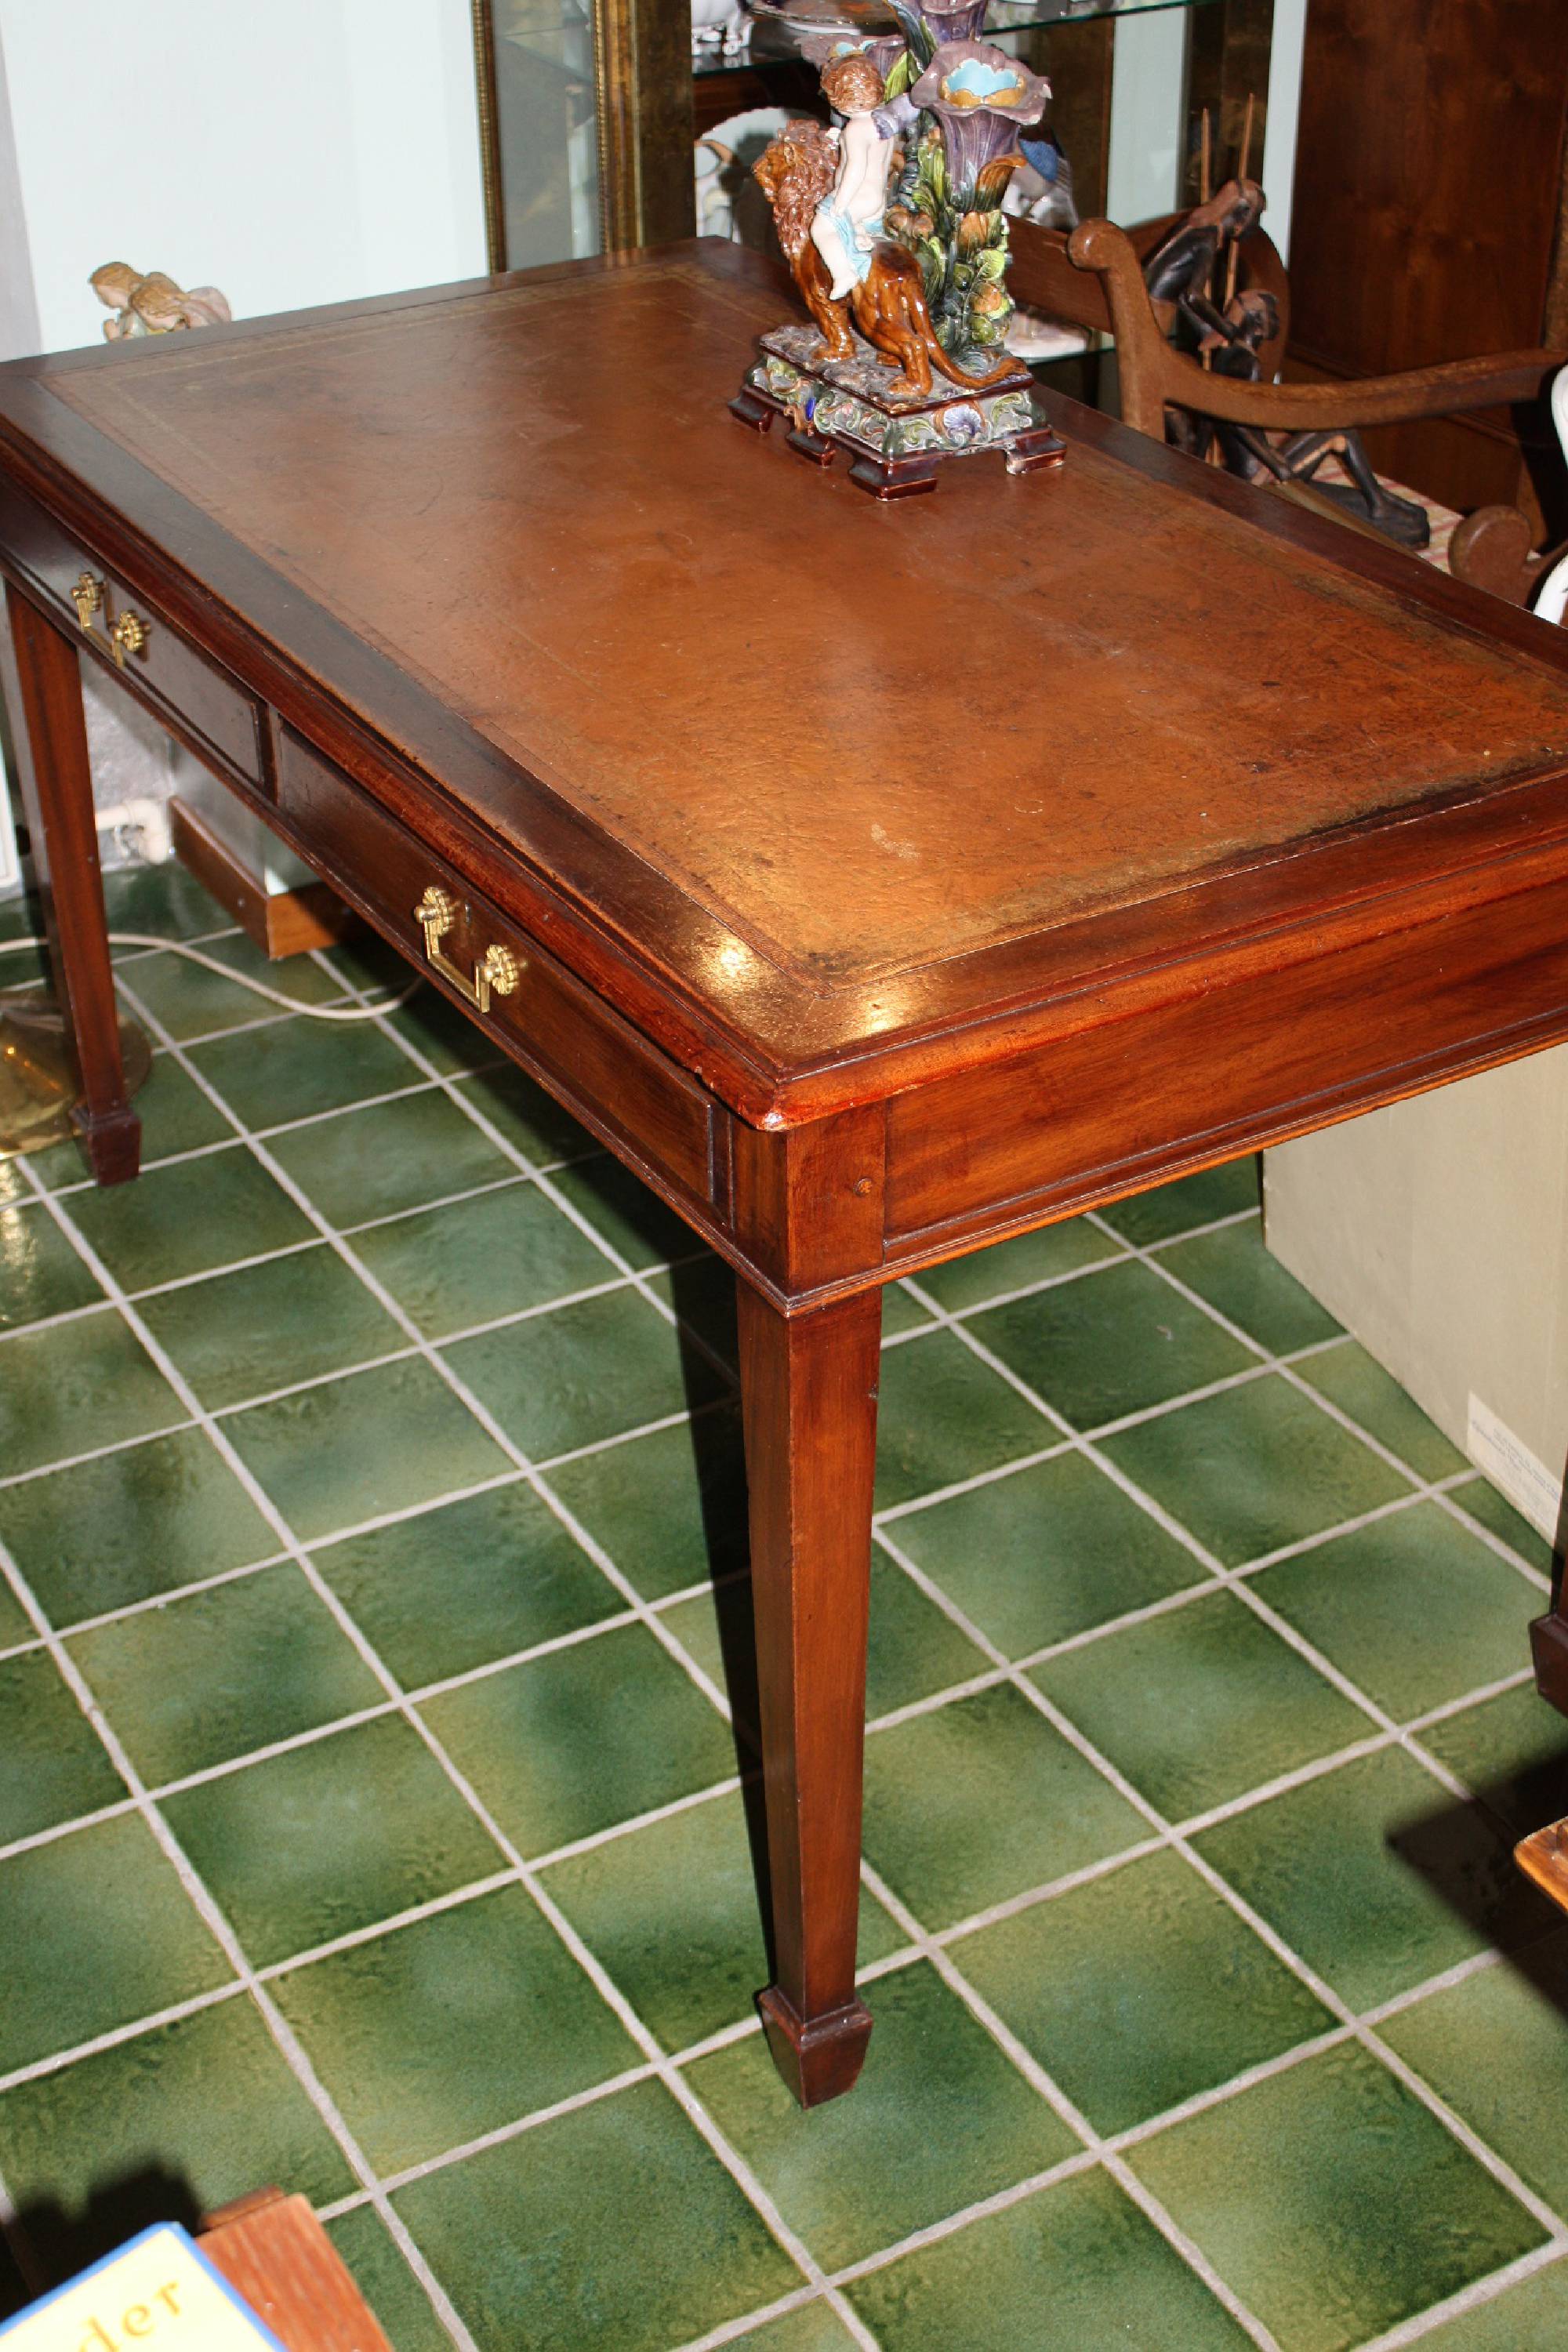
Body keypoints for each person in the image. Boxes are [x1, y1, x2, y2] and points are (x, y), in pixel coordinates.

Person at [810, 54, 895, 301]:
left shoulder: (855, 130)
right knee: (848, 222)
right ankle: (857, 234)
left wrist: (839, 205)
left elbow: (855, 170)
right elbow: (878, 158)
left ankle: (843, 273)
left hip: (857, 197)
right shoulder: (882, 123)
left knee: (821, 226)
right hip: (876, 200)